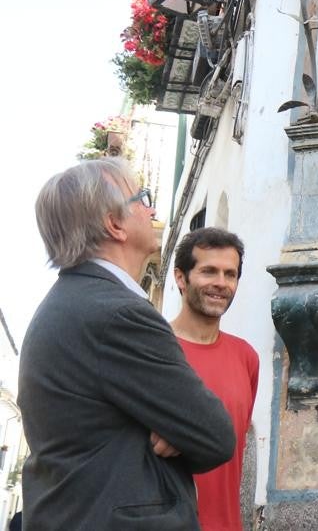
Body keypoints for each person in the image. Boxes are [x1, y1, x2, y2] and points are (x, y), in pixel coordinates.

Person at [20, 157, 235, 529]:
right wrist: (179, 428)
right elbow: (214, 434)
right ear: (114, 224)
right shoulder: (116, 314)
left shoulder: (74, 302)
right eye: (142, 198)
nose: (151, 209)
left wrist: (175, 426)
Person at [170, 227, 260, 531]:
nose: (221, 284)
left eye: (230, 274)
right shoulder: (153, 350)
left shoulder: (246, 358)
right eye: (209, 271)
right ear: (181, 278)